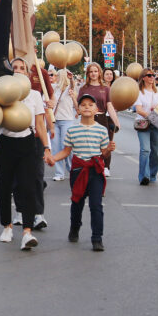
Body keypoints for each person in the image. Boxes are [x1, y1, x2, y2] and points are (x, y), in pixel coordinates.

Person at [0, 58, 53, 250]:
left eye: (22, 68)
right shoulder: (0, 93)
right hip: (5, 144)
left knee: (28, 187)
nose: (18, 71)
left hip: (27, 143)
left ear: (28, 74)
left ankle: (27, 232)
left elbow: (40, 126)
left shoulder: (35, 95)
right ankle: (7, 226)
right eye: (15, 68)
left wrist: (46, 148)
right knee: (4, 187)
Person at [51, 93, 116, 251]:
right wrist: (53, 159)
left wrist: (108, 150)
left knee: (96, 205)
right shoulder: (72, 130)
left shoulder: (101, 130)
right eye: (83, 105)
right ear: (78, 110)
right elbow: (66, 151)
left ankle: (97, 238)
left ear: (97, 109)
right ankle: (75, 227)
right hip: (78, 171)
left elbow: (103, 153)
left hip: (95, 171)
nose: (87, 107)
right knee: (77, 204)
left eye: (90, 104)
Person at [79, 63, 120, 176]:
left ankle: (105, 166)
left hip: (102, 118)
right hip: (87, 119)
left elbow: (109, 106)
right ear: (88, 73)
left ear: (99, 73)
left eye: (95, 71)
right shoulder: (83, 89)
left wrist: (116, 121)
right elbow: (78, 106)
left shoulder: (105, 89)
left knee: (105, 143)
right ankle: (88, 165)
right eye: (91, 71)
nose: (93, 74)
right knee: (88, 144)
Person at [132, 68, 158, 185]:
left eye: (153, 75)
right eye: (149, 75)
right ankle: (143, 176)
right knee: (145, 149)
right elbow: (139, 109)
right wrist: (151, 115)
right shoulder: (139, 92)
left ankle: (152, 174)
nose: (152, 77)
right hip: (144, 123)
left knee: (155, 151)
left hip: (157, 123)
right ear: (143, 78)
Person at [50, 69, 78, 182]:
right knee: (56, 147)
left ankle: (72, 169)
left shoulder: (69, 89)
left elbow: (72, 85)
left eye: (58, 75)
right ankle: (59, 173)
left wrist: (71, 78)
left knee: (66, 147)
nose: (57, 77)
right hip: (55, 121)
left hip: (67, 121)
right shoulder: (54, 88)